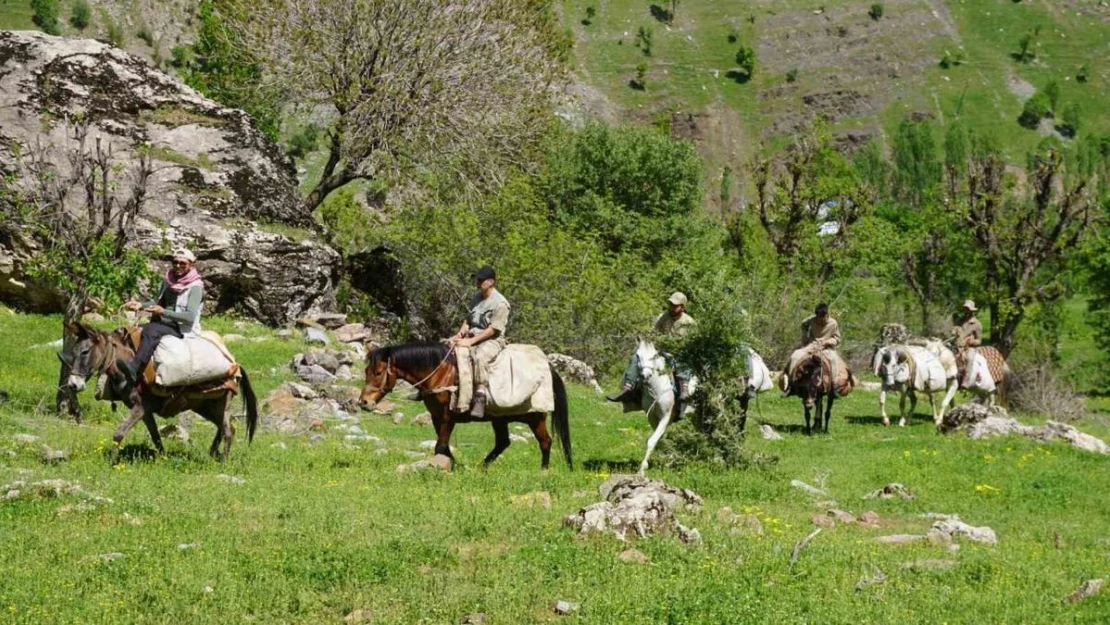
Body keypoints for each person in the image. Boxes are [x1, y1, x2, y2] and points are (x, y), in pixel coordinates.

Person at [116, 248, 204, 386]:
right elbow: (157, 302)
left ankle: (135, 368)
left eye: (183, 263)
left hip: (181, 328)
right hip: (162, 323)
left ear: (191, 265)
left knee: (151, 331)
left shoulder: (195, 288)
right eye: (175, 262)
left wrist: (163, 312)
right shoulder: (168, 281)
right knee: (128, 332)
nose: (178, 266)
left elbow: (190, 317)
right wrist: (141, 305)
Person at [607, 292, 696, 403]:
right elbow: (654, 332)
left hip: (677, 353)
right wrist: (646, 339)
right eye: (671, 304)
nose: (671, 308)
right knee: (637, 356)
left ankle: (684, 389)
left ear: (682, 307)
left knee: (683, 359)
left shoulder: (689, 323)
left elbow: (690, 344)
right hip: (660, 350)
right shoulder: (664, 316)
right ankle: (627, 388)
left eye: (675, 306)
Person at [447, 265, 510, 418]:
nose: (478, 282)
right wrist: (460, 334)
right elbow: (468, 319)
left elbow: (493, 329)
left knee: (481, 357)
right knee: (446, 346)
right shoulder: (477, 298)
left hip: (492, 339)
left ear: (491, 282)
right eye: (477, 279)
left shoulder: (501, 303)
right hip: (472, 335)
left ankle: (480, 395)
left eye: (481, 280)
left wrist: (471, 341)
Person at [782, 303, 842, 395]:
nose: (820, 319)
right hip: (811, 345)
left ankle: (834, 387)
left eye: (822, 317)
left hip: (826, 348)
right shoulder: (811, 320)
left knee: (833, 359)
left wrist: (829, 341)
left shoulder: (833, 323)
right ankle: (791, 385)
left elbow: (837, 338)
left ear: (827, 314)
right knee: (795, 356)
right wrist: (805, 336)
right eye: (818, 317)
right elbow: (803, 324)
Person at [951, 299, 983, 386]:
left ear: (972, 311)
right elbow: (953, 330)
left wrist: (972, 341)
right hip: (957, 346)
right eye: (965, 309)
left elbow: (979, 341)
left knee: (969, 358)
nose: (966, 311)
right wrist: (954, 331)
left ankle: (966, 380)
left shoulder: (977, 324)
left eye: (968, 309)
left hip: (969, 348)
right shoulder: (959, 320)